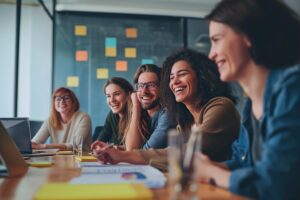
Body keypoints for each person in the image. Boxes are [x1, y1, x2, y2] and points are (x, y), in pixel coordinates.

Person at [197, 0, 300, 199]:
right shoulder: (252, 103)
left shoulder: (292, 89)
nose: (211, 54)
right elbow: (245, 164)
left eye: (216, 39)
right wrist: (207, 167)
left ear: (248, 36)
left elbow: (273, 186)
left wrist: (211, 172)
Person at [92, 48, 240, 170]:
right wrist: (117, 151)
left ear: (202, 77)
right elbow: (169, 155)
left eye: (182, 74)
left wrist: (123, 156)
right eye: (171, 77)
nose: (174, 82)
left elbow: (186, 152)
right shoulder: (184, 117)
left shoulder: (221, 106)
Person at [124, 64, 174, 150]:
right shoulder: (142, 114)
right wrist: (136, 106)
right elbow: (130, 148)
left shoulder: (168, 115)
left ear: (162, 87)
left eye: (151, 85)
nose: (144, 91)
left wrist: (136, 105)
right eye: (140, 85)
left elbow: (135, 151)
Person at [32, 87, 92, 151]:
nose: (62, 101)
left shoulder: (83, 118)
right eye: (58, 99)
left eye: (66, 98)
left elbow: (75, 145)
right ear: (54, 104)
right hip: (59, 158)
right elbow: (35, 142)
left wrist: (44, 146)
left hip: (80, 158)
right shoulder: (50, 121)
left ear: (73, 102)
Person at [94, 77, 134, 145]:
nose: (112, 100)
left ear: (128, 95)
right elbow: (99, 142)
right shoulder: (112, 115)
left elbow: (135, 148)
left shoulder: (136, 114)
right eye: (108, 96)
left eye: (116, 94)